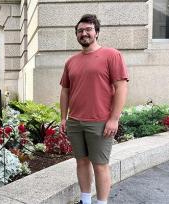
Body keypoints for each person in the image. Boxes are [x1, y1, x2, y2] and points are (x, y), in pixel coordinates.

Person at [59, 14, 128, 204]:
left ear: (96, 32)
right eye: (80, 31)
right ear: (77, 35)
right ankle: (86, 200)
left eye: (88, 29)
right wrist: (64, 118)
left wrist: (114, 118)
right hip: (75, 121)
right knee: (81, 162)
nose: (84, 33)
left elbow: (121, 87)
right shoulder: (71, 61)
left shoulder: (111, 55)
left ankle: (102, 202)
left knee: (100, 165)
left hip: (100, 122)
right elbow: (65, 91)